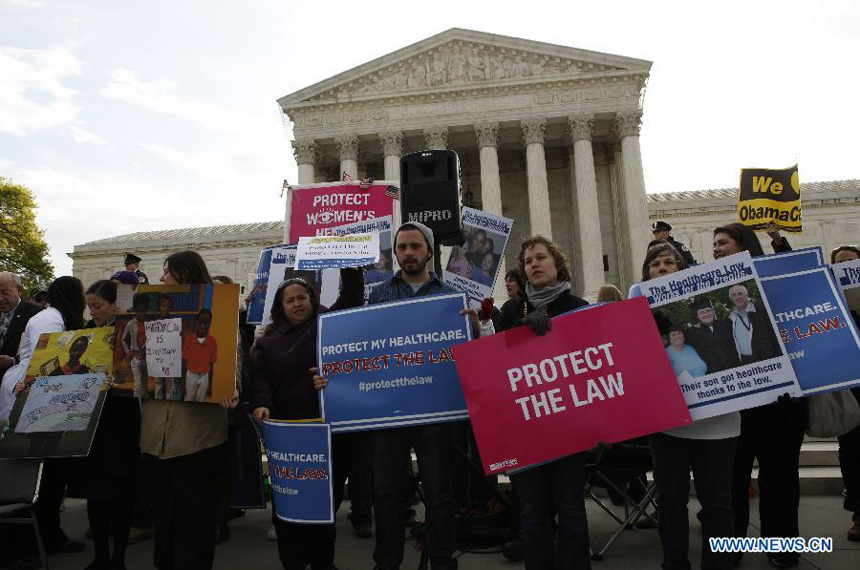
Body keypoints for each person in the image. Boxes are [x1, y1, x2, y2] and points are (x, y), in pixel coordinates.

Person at [316, 221, 488, 570]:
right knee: (386, 493)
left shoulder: (449, 297)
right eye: (402, 248)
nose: (408, 253)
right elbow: (360, 349)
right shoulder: (378, 295)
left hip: (434, 413)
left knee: (440, 493)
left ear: (428, 251)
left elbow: (468, 357)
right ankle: (387, 562)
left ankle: (442, 560)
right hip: (388, 413)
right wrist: (330, 373)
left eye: (414, 246)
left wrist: (473, 330)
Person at [634, 242, 740, 570]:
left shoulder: (700, 319)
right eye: (655, 264)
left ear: (684, 270)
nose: (662, 268)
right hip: (668, 426)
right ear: (647, 273)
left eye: (669, 263)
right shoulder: (637, 312)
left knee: (718, 505)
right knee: (670, 503)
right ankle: (674, 563)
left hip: (718, 423)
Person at [251, 267, 364, 569]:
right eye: (290, 300)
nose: (297, 304)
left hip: (327, 432)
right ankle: (294, 563)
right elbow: (262, 380)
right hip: (289, 434)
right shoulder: (267, 342)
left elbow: (352, 297)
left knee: (325, 505)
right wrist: (262, 404)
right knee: (290, 504)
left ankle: (324, 563)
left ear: (312, 300)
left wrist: (348, 264)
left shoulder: (328, 325)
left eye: (302, 298)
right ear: (281, 306)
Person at [711, 223, 805, 569]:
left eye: (722, 243)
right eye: (714, 244)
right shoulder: (714, 294)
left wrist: (779, 244)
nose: (716, 249)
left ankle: (782, 547)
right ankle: (731, 548)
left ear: (743, 245)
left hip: (779, 400)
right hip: (736, 403)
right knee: (732, 481)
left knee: (779, 477)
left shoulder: (767, 283)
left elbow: (799, 281)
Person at [140, 250, 239, 570]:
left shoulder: (220, 318)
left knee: (195, 518)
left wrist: (229, 390)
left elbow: (229, 370)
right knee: (164, 514)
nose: (161, 278)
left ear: (184, 275)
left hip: (196, 437)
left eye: (167, 272)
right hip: (156, 435)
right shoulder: (154, 322)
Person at [498, 235, 591, 570]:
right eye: (527, 261)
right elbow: (494, 365)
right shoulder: (511, 310)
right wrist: (519, 334)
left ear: (557, 263)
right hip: (527, 428)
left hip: (570, 429)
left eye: (540, 257)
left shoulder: (579, 308)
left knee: (570, 508)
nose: (534, 264)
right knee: (532, 512)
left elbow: (596, 364)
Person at [1, 276, 88, 569]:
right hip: (36, 399)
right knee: (42, 475)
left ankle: (41, 537)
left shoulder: (47, 317)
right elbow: (47, 362)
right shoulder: (51, 320)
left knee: (48, 474)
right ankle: (31, 542)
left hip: (36, 395)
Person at [78, 279, 141, 570]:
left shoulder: (130, 332)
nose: (92, 312)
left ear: (115, 304)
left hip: (122, 418)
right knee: (95, 493)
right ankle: (100, 556)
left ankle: (118, 559)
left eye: (98, 306)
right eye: (89, 306)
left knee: (119, 492)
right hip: (93, 423)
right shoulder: (87, 333)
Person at [831, 245, 860, 542]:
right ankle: (859, 513)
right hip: (852, 390)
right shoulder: (833, 301)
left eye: (851, 263)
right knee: (852, 455)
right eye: (840, 265)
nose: (846, 268)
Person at [722, 284, 781, 366]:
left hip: (768, 358)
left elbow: (775, 335)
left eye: (740, 293)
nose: (737, 297)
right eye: (734, 295)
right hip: (745, 362)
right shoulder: (729, 319)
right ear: (731, 299)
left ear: (746, 295)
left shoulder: (762, 312)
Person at [0, 272, 42, 377]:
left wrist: (13, 361)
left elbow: (39, 350)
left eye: (5, 293)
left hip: (16, 380)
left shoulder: (36, 314)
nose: (0, 298)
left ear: (19, 291)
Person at [685, 297, 732, 375]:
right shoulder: (692, 333)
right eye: (702, 312)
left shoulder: (726, 325)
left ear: (713, 312)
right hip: (711, 373)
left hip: (733, 367)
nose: (706, 314)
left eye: (708, 311)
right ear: (698, 316)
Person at [182, 309, 217, 402]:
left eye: (207, 322)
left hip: (204, 376)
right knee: (188, 400)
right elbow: (184, 363)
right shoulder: (189, 339)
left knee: (200, 402)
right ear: (197, 321)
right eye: (201, 321)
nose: (203, 324)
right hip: (190, 376)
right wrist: (183, 384)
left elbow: (211, 365)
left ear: (210, 323)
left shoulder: (212, 342)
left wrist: (210, 385)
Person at [121, 294, 150, 398]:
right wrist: (128, 352)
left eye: (144, 310)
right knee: (137, 385)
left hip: (146, 358)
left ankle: (145, 402)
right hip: (135, 358)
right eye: (139, 311)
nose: (142, 313)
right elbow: (123, 339)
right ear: (136, 311)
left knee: (145, 384)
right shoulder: (131, 323)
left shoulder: (149, 323)